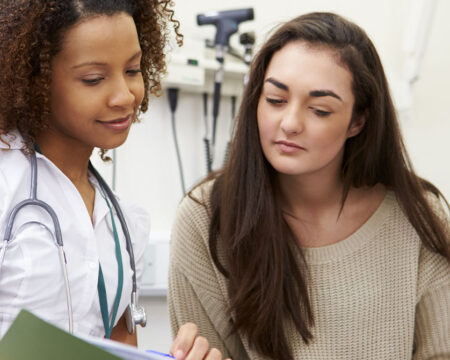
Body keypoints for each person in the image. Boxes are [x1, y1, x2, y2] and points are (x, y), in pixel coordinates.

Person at [168, 12, 450, 360]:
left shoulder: (419, 219)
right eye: (275, 100)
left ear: (357, 121)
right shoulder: (205, 218)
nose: (289, 123)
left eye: (319, 110)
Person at [0, 1, 226, 358]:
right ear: (35, 79)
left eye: (133, 70)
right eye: (94, 78)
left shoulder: (121, 220)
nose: (125, 96)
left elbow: (118, 348)